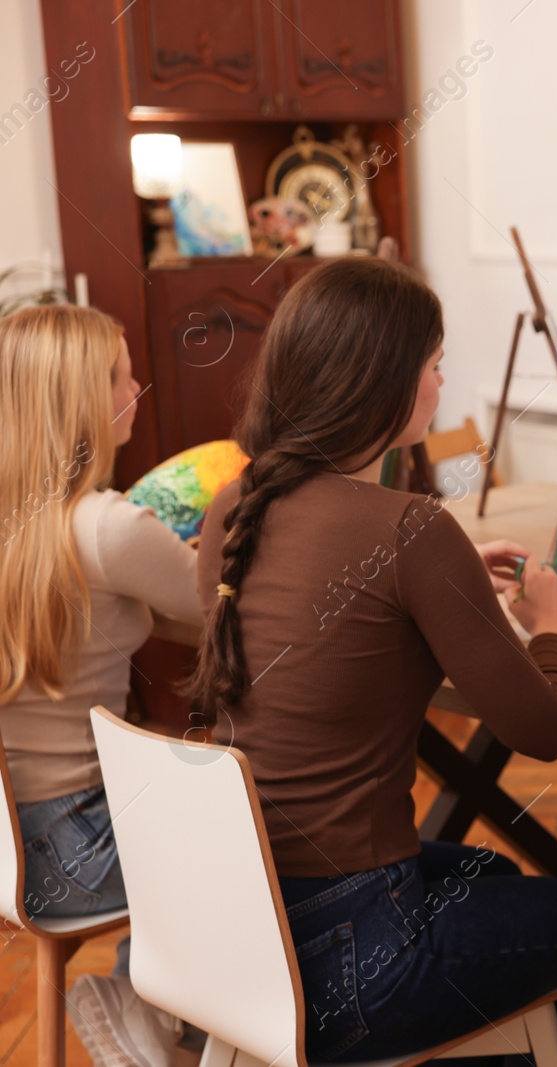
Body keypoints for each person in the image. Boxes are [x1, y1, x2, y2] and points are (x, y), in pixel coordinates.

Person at [185, 258, 557, 1063]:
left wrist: (441, 585)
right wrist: (555, 626)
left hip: (247, 925)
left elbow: (333, 630)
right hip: (355, 958)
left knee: (487, 871)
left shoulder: (235, 505)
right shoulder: (410, 530)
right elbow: (545, 727)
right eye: (433, 361)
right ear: (381, 381)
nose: (442, 377)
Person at [0, 304, 204, 1067]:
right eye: (122, 373)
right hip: (85, 849)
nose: (139, 385)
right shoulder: (108, 527)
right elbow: (221, 601)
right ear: (82, 398)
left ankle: (155, 1009)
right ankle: (150, 1005)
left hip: (13, 848)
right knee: (261, 817)